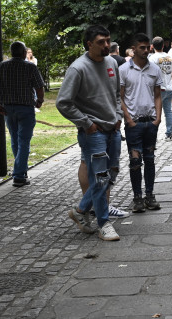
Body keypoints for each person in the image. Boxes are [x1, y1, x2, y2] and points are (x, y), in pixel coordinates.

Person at [57, 24, 123, 241]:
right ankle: (104, 223)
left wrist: (118, 116)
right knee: (101, 178)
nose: (107, 45)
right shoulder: (78, 68)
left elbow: (116, 94)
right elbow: (63, 103)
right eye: (101, 42)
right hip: (93, 132)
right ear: (89, 44)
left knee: (110, 174)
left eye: (108, 40)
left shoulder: (112, 62)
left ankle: (79, 210)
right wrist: (86, 123)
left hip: (112, 129)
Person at [0, 41, 44, 187]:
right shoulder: (30, 67)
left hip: (8, 109)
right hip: (25, 109)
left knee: (15, 140)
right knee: (24, 141)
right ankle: (18, 175)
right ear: (24, 53)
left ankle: (21, 170)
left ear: (11, 52)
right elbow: (39, 87)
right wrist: (40, 101)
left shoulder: (2, 66)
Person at [119, 33, 163, 213]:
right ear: (134, 49)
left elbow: (158, 95)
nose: (145, 50)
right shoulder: (124, 70)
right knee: (135, 161)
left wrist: (158, 118)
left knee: (150, 160)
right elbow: (119, 97)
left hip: (150, 122)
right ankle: (137, 197)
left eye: (148, 47)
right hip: (134, 124)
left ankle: (150, 195)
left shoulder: (154, 69)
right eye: (142, 47)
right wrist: (128, 120)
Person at [148, 36, 172, 140]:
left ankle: (153, 134)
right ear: (163, 45)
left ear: (152, 46)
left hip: (158, 89)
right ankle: (169, 133)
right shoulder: (169, 57)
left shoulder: (152, 58)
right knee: (168, 112)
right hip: (169, 87)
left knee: (155, 113)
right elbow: (170, 72)